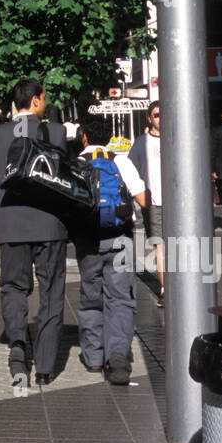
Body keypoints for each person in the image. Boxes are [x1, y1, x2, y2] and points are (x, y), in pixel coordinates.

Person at [0, 78, 69, 386]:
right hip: (50, 224)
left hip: (11, 224)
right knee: (51, 290)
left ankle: (18, 344)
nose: (45, 103)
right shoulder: (56, 132)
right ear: (35, 101)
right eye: (43, 99)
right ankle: (45, 366)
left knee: (14, 288)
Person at [74, 113, 148, 385]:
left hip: (87, 240)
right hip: (120, 237)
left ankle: (93, 357)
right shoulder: (121, 161)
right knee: (120, 298)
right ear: (109, 138)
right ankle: (117, 357)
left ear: (84, 137)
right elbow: (144, 200)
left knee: (91, 296)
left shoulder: (76, 164)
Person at [128, 99, 164, 306]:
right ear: (149, 118)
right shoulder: (141, 142)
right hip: (153, 203)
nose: (161, 119)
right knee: (161, 246)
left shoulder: (174, 139)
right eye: (157, 115)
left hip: (176, 203)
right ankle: (164, 288)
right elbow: (132, 171)